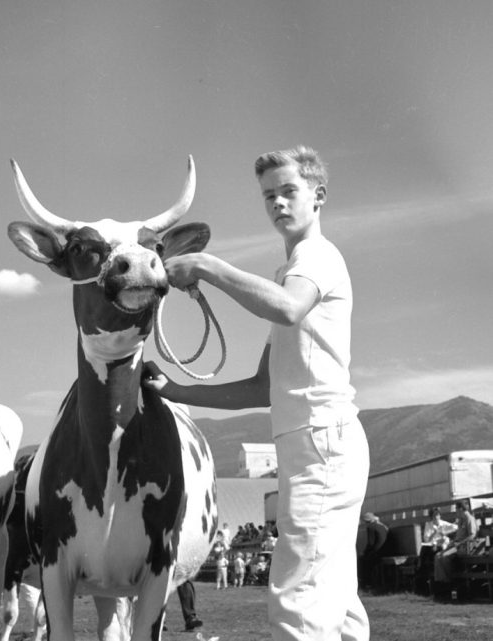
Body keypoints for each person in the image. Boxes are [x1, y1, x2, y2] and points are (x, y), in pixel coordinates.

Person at [144, 146, 369, 640]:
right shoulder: (289, 273)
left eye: (289, 192)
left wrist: (205, 265)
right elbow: (262, 386)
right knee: (334, 602)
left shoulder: (315, 257)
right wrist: (175, 390)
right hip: (312, 441)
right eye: (269, 196)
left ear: (319, 196)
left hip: (321, 440)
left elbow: (287, 308)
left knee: (299, 603)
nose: (278, 204)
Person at [434, 500, 479, 589]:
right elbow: (458, 534)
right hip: (455, 545)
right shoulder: (461, 520)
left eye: (456, 509)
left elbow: (472, 535)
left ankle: (448, 583)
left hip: (463, 547)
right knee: (437, 556)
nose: (455, 511)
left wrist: (460, 543)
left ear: (461, 509)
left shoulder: (469, 519)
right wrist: (448, 536)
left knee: (444, 557)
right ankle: (440, 584)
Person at [359, 512, 389, 590]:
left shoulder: (371, 527)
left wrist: (364, 552)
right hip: (386, 550)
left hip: (378, 552)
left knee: (362, 560)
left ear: (366, 521)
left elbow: (370, 543)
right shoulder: (382, 526)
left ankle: (367, 583)